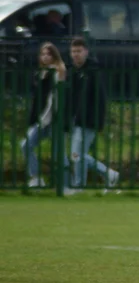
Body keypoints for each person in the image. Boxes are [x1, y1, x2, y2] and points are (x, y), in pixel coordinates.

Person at [67, 38, 119, 191]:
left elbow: (100, 98)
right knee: (78, 154)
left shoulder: (93, 71)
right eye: (73, 51)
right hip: (76, 119)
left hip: (89, 119)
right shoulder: (72, 71)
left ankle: (78, 185)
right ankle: (109, 174)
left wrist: (98, 120)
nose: (76, 55)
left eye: (79, 51)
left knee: (76, 154)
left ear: (86, 52)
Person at [21, 42, 67, 188]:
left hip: (50, 119)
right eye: (43, 54)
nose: (45, 57)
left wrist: (44, 118)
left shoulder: (56, 71)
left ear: (54, 56)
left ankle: (65, 184)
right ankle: (36, 176)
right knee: (26, 145)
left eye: (49, 54)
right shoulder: (41, 72)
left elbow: (53, 98)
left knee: (58, 153)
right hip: (39, 117)